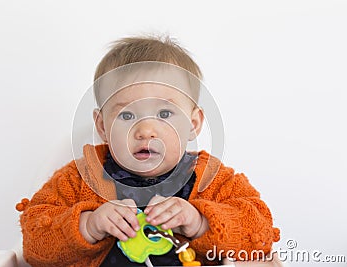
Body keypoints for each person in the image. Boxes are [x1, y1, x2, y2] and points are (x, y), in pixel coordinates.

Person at [16, 35, 280, 267]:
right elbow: (34, 244)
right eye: (127, 115)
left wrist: (200, 222)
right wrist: (88, 224)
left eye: (164, 113)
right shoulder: (79, 178)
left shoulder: (216, 181)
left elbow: (260, 231)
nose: (145, 130)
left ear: (193, 124)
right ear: (103, 126)